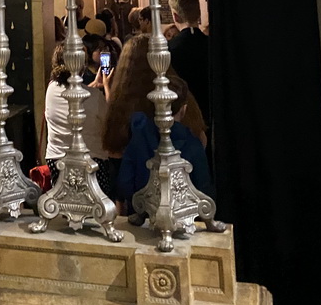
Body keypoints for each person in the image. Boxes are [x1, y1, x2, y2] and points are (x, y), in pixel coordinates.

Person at [116, 76, 215, 218]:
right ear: (184, 108)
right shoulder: (192, 144)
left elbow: (124, 184)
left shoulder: (138, 137)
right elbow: (204, 192)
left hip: (143, 222)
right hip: (182, 225)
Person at [103, 34, 207, 160]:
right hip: (180, 169)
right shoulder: (177, 94)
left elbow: (113, 149)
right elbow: (200, 137)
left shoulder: (123, 104)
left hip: (137, 175)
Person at [44, 43, 112, 194]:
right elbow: (109, 120)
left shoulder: (51, 88)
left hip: (57, 158)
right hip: (92, 161)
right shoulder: (95, 97)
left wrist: (94, 84)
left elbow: (75, 96)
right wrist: (106, 86)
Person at [167, 0, 210, 125]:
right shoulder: (212, 45)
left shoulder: (169, 49)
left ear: (175, 16)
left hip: (183, 119)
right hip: (211, 115)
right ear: (198, 13)